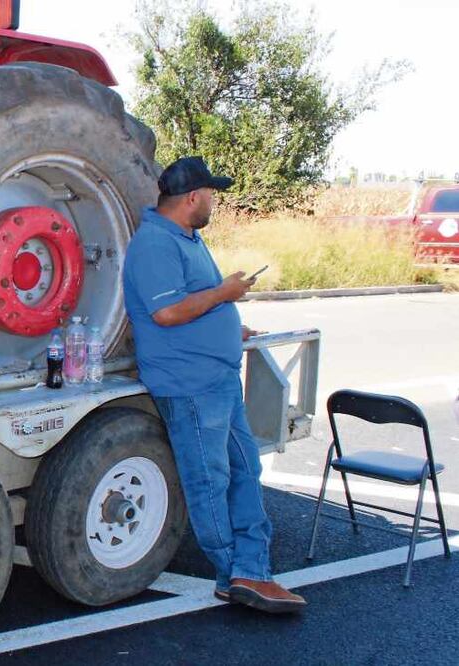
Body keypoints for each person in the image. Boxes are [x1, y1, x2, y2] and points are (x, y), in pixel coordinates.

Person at [122, 156, 307, 614]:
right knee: (210, 480)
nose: (213, 203)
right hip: (189, 384)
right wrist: (225, 295)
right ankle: (236, 574)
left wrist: (229, 325)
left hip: (217, 378)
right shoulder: (154, 244)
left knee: (245, 471)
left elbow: (192, 301)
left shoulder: (188, 237)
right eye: (210, 195)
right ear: (191, 198)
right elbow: (166, 312)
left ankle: (252, 569)